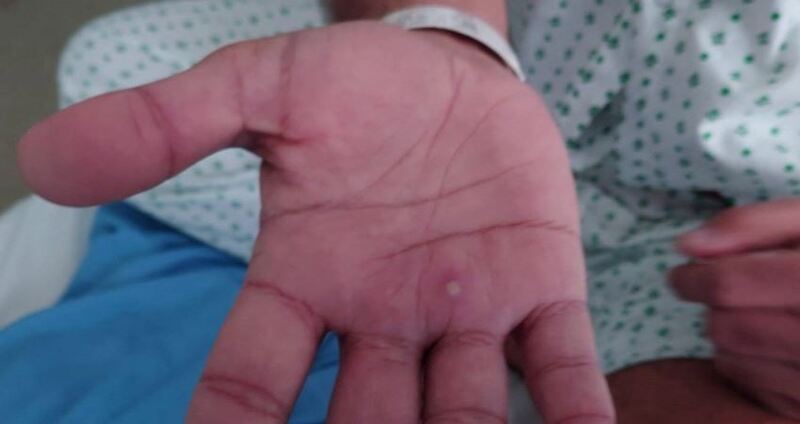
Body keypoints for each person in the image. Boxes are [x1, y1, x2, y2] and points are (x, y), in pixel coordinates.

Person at [3, 0, 800, 422]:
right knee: (114, 67)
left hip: (728, 286)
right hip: (505, 60)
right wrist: (446, 33)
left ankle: (538, 292)